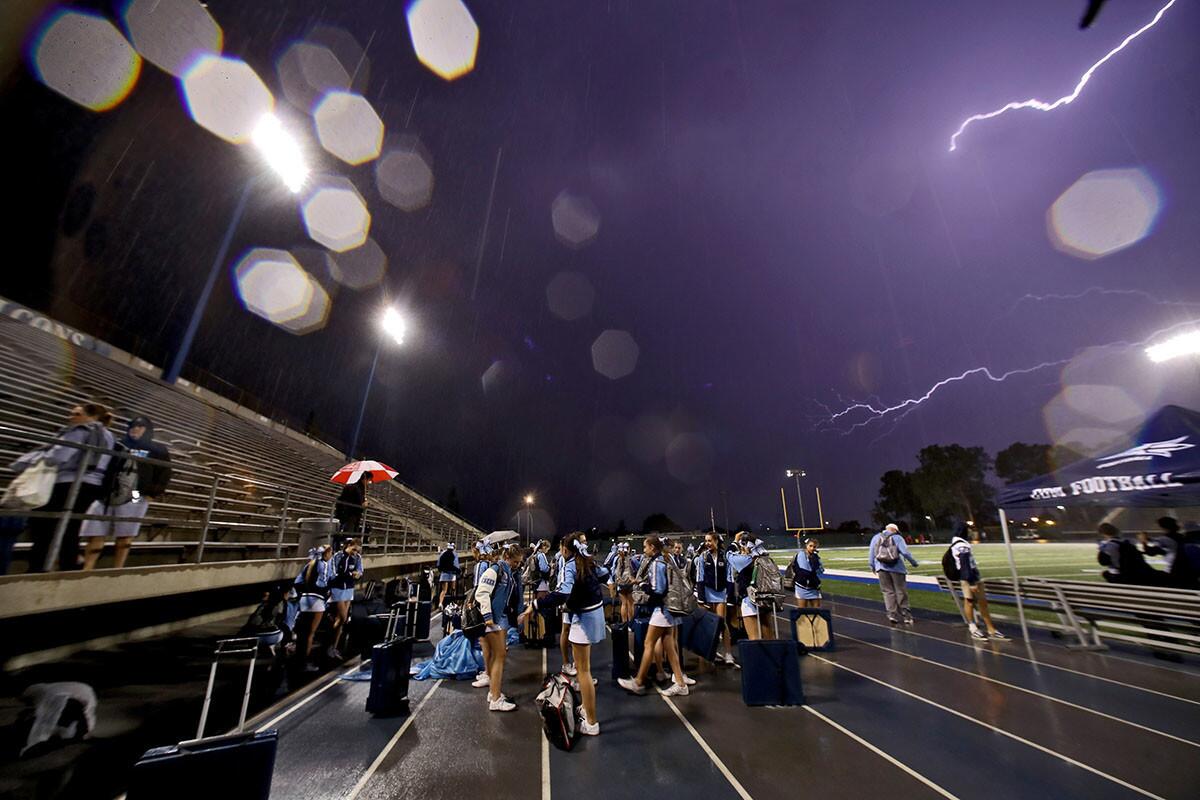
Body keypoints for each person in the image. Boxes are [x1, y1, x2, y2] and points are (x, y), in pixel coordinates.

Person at [520, 532, 608, 735]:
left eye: (561, 548)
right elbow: (605, 574)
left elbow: (563, 594)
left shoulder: (571, 565)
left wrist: (535, 604)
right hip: (593, 613)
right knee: (583, 668)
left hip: (583, 619)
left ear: (565, 550)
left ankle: (591, 722)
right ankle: (586, 708)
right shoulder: (586, 561)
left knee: (583, 671)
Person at [13, 403, 114, 572]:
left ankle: (38, 567)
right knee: (70, 526)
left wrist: (36, 460)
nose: (71, 417)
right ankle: (70, 564)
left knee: (45, 527)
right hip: (93, 485)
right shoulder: (108, 436)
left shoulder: (81, 430)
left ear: (92, 417)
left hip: (68, 482)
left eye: (77, 413)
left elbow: (58, 456)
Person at [80, 415, 172, 570]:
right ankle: (87, 568)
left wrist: (152, 494)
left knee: (126, 533)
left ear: (147, 430)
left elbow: (164, 473)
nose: (135, 429)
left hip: (137, 494)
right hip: (108, 492)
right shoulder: (119, 444)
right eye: (132, 426)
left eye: (139, 427)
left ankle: (118, 568)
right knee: (95, 531)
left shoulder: (157, 449)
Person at [618, 536, 690, 697]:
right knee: (670, 647)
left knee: (648, 643)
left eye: (645, 547)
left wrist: (641, 585)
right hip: (667, 609)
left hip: (662, 610)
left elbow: (658, 590)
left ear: (652, 547)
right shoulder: (665, 559)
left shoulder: (657, 563)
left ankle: (638, 682)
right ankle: (680, 683)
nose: (644, 550)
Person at [473, 543, 520, 711]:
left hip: (499, 618)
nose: (517, 565)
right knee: (499, 655)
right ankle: (495, 699)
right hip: (492, 620)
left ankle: (494, 692)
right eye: (515, 562)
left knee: (496, 656)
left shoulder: (507, 571)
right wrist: (488, 617)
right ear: (507, 558)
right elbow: (481, 592)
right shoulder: (495, 569)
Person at [949, 526, 1009, 640]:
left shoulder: (959, 543)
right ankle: (975, 628)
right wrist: (972, 582)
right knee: (971, 601)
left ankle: (989, 628)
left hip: (970, 576)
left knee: (979, 602)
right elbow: (965, 563)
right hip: (969, 577)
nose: (971, 532)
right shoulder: (961, 545)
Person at [695, 532, 735, 664]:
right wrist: (701, 597)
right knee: (707, 625)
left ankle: (728, 653)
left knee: (722, 623)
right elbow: (699, 577)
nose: (708, 543)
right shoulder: (703, 557)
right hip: (707, 592)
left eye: (710, 540)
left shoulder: (725, 556)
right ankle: (710, 652)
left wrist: (729, 595)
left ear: (717, 541)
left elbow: (730, 577)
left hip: (721, 593)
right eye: (706, 541)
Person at [868, 523, 919, 625]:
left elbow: (871, 553)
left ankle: (892, 614)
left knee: (887, 592)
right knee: (901, 591)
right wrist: (914, 562)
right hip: (897, 568)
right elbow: (905, 552)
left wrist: (872, 566)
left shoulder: (876, 537)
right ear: (895, 530)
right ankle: (906, 615)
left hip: (881, 568)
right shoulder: (897, 537)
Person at [295, 544, 333, 670]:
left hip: (304, 599)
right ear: (326, 554)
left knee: (302, 633)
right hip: (317, 601)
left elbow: (297, 582)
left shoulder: (309, 564)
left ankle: (298, 660)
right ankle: (304, 663)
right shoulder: (324, 565)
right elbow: (323, 583)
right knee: (310, 633)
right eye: (330, 553)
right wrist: (327, 591)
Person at [326, 538, 363, 659]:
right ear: (348, 545)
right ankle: (329, 644)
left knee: (342, 620)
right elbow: (333, 573)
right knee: (342, 618)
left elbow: (360, 571)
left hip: (349, 589)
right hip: (338, 588)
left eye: (357, 551)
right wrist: (348, 574)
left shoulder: (357, 558)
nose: (355, 552)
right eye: (353, 550)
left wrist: (358, 574)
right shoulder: (338, 556)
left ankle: (333, 647)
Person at [1139, 517, 1199, 590]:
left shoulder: (1164, 539)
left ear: (1163, 527)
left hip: (1173, 572)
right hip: (1189, 571)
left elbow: (1150, 552)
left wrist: (1143, 541)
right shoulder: (1182, 537)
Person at [793, 537, 825, 608]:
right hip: (802, 586)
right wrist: (814, 573)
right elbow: (805, 571)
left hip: (813, 587)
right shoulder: (801, 554)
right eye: (810, 546)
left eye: (814, 547)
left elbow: (821, 570)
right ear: (806, 545)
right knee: (802, 611)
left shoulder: (815, 556)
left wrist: (816, 561)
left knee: (817, 611)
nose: (812, 548)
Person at [610, 542, 636, 623]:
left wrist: (615, 581)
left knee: (624, 604)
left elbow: (613, 571)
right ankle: (631, 624)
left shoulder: (616, 558)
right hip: (629, 583)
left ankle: (624, 623)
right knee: (630, 603)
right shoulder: (631, 558)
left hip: (621, 584)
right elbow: (636, 568)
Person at [436, 542, 461, 608]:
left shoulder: (442, 553)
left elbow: (438, 564)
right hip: (452, 574)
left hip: (444, 573)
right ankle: (453, 602)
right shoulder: (454, 554)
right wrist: (458, 571)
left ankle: (440, 603)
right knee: (453, 588)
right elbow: (456, 564)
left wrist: (441, 570)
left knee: (444, 590)